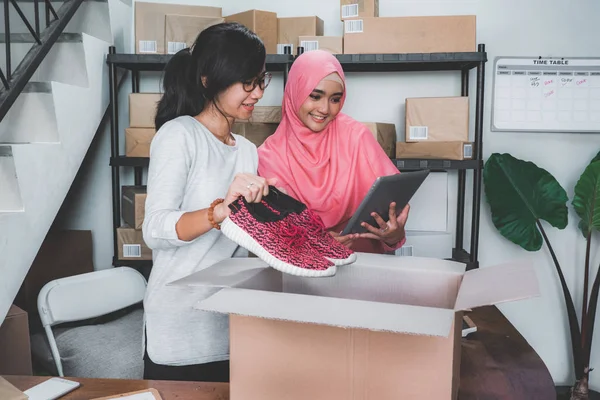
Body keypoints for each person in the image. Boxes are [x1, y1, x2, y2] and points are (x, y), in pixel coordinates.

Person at [141, 22, 275, 382]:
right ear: (208, 80)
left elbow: (245, 238)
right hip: (179, 328)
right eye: (247, 81)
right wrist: (220, 210)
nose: (258, 93)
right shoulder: (179, 136)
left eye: (261, 80)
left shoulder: (247, 151)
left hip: (231, 324)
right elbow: (154, 229)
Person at [257, 50, 410, 254]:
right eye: (315, 96)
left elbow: (391, 206)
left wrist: (394, 234)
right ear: (295, 91)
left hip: (363, 266)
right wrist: (312, 243)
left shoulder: (356, 136)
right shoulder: (268, 156)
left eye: (335, 99)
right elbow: (272, 238)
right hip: (303, 276)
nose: (324, 109)